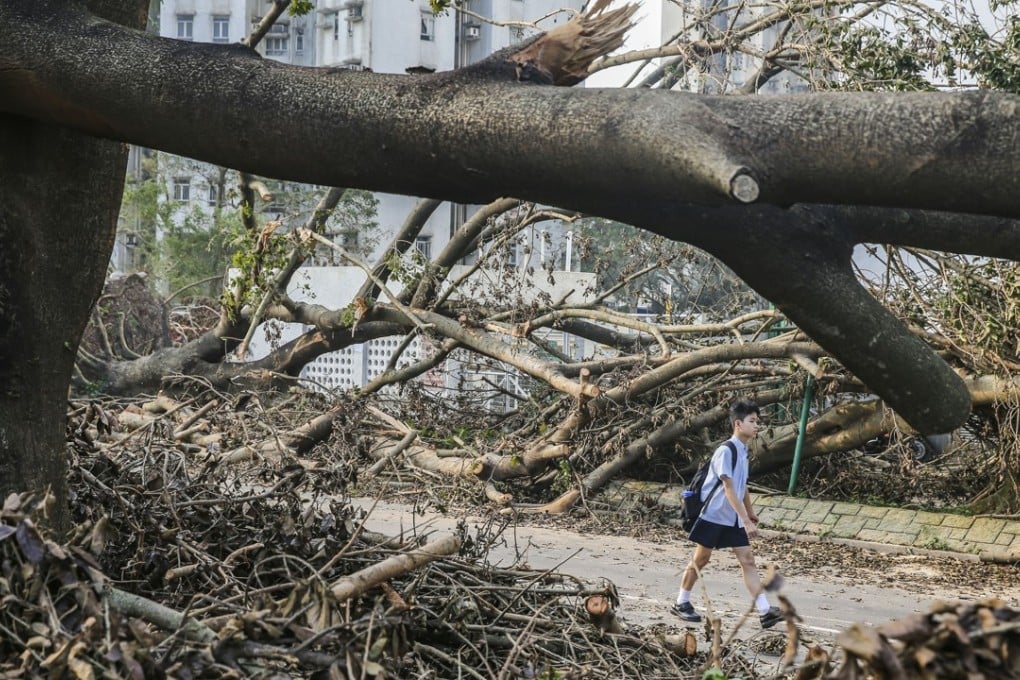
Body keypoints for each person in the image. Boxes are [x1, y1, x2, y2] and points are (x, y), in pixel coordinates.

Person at [670, 399, 782, 629]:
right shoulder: (726, 450)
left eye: (757, 421)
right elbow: (729, 487)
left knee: (747, 560)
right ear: (738, 424)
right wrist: (745, 520)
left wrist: (750, 513)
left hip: (732, 517)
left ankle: (764, 611)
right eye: (752, 421)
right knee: (701, 559)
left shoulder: (743, 451)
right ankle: (681, 602)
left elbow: (743, 485)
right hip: (713, 515)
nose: (757, 426)